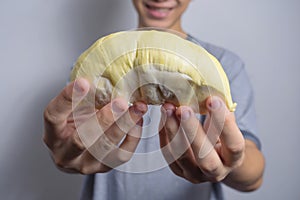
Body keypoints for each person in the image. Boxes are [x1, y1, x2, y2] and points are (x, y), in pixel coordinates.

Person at [43, 0, 265, 199]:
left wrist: (230, 161)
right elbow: (72, 151)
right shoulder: (92, 70)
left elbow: (254, 177)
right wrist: (66, 157)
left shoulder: (226, 66)